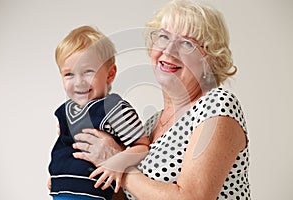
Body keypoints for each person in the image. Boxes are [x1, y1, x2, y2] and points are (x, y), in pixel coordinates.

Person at [73, 1, 251, 199]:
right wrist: (77, 176)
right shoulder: (150, 126)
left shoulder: (216, 105)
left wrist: (117, 162)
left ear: (209, 58)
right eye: (164, 37)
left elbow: (191, 198)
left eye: (186, 43)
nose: (169, 50)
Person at [48, 25, 149, 200]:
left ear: (110, 74)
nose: (79, 82)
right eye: (69, 74)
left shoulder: (113, 108)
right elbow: (65, 149)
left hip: (93, 194)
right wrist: (59, 174)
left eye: (88, 72)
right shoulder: (66, 111)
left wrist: (118, 162)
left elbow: (142, 147)